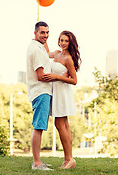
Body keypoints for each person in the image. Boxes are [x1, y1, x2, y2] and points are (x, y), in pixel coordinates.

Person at [26, 22, 69, 171]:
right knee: (38, 127)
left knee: (39, 126)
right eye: (42, 32)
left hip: (42, 92)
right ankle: (36, 163)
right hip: (41, 91)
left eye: (47, 32)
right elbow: (40, 76)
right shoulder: (37, 50)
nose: (45, 35)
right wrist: (59, 77)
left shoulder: (38, 47)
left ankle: (38, 161)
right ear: (35, 33)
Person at [42, 30, 82, 169]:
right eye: (61, 40)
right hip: (56, 92)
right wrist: (43, 38)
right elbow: (46, 53)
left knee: (60, 124)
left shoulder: (68, 59)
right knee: (64, 125)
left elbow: (74, 80)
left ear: (70, 42)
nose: (63, 43)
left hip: (63, 93)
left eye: (66, 40)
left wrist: (56, 77)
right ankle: (69, 160)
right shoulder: (56, 53)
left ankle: (68, 159)